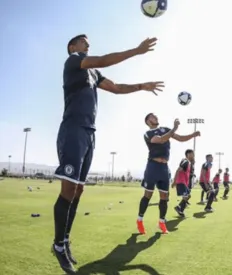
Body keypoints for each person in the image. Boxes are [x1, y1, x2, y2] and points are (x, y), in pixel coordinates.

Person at [52, 34, 164, 273]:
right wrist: (136, 50)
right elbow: (102, 59)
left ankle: (65, 239)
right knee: (69, 189)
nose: (88, 43)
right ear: (73, 47)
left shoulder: (93, 74)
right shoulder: (73, 61)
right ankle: (58, 245)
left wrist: (141, 86)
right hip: (72, 129)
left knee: (78, 189)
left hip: (89, 133)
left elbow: (115, 88)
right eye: (83, 41)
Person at [136, 114, 200, 235]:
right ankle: (139, 220)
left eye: (155, 116)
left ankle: (162, 223)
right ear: (148, 121)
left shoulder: (166, 129)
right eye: (152, 117)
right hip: (152, 166)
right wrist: (174, 128)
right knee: (148, 195)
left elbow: (180, 138)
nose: (156, 118)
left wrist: (192, 135)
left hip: (164, 168)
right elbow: (160, 139)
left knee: (164, 197)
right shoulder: (147, 134)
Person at [172, 149, 195, 218]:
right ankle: (179, 208)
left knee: (188, 196)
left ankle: (180, 210)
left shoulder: (188, 162)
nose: (193, 155)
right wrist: (174, 181)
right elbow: (178, 170)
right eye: (192, 154)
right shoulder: (185, 161)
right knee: (185, 197)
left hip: (184, 183)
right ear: (188, 154)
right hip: (181, 182)